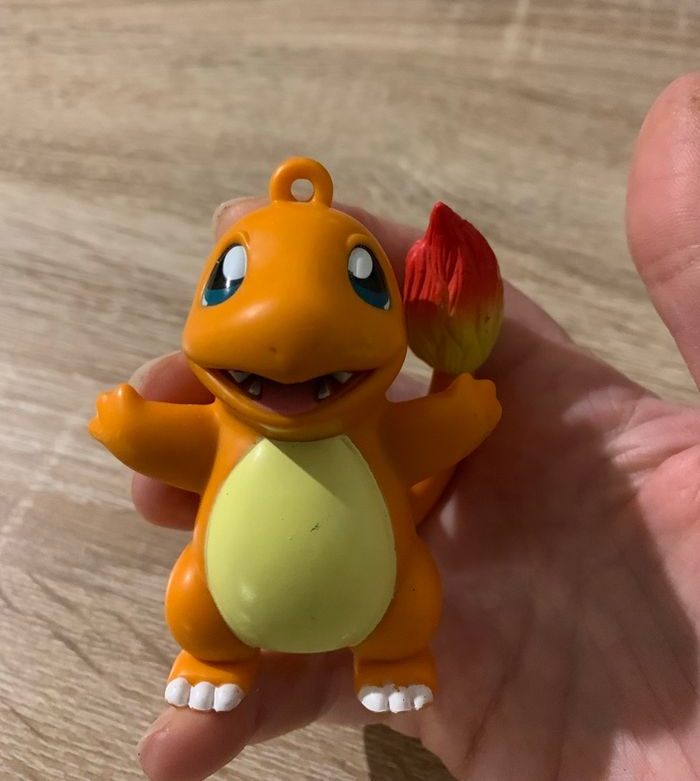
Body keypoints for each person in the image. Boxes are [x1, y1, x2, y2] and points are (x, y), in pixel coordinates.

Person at [133, 75, 700, 781]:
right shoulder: (225, 426)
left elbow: (424, 443)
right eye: (230, 283)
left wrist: (461, 403)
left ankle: (391, 655)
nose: (288, 342)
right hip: (230, 602)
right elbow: (181, 447)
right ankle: (215, 656)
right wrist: (137, 429)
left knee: (407, 592)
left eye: (363, 281)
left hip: (375, 600)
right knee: (196, 593)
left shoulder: (377, 431)